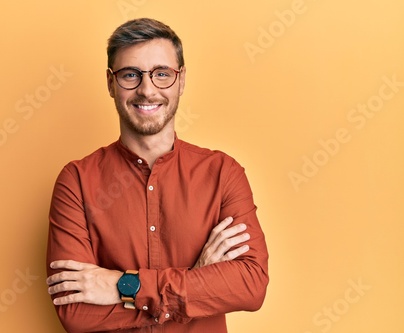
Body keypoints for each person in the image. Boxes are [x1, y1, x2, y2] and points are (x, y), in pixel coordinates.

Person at [46, 18, 269, 333]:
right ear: (110, 83)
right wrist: (195, 281)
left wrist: (124, 286)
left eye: (162, 74)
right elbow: (75, 313)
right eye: (130, 75)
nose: (147, 90)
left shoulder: (223, 173)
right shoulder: (76, 181)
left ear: (181, 80)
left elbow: (250, 285)